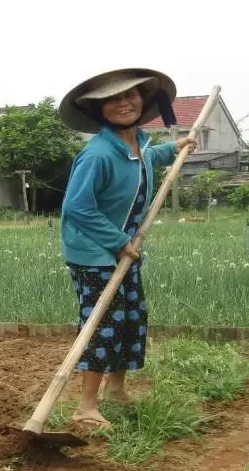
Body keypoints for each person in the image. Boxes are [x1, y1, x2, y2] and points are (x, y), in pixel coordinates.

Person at [57, 68, 197, 428]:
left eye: (130, 95)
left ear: (143, 100)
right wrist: (119, 242)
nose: (124, 103)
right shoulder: (98, 154)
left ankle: (115, 390)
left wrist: (175, 149)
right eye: (113, 99)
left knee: (132, 317)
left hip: (123, 249)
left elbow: (149, 158)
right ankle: (85, 406)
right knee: (103, 324)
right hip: (95, 252)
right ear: (98, 110)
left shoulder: (140, 144)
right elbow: (77, 207)